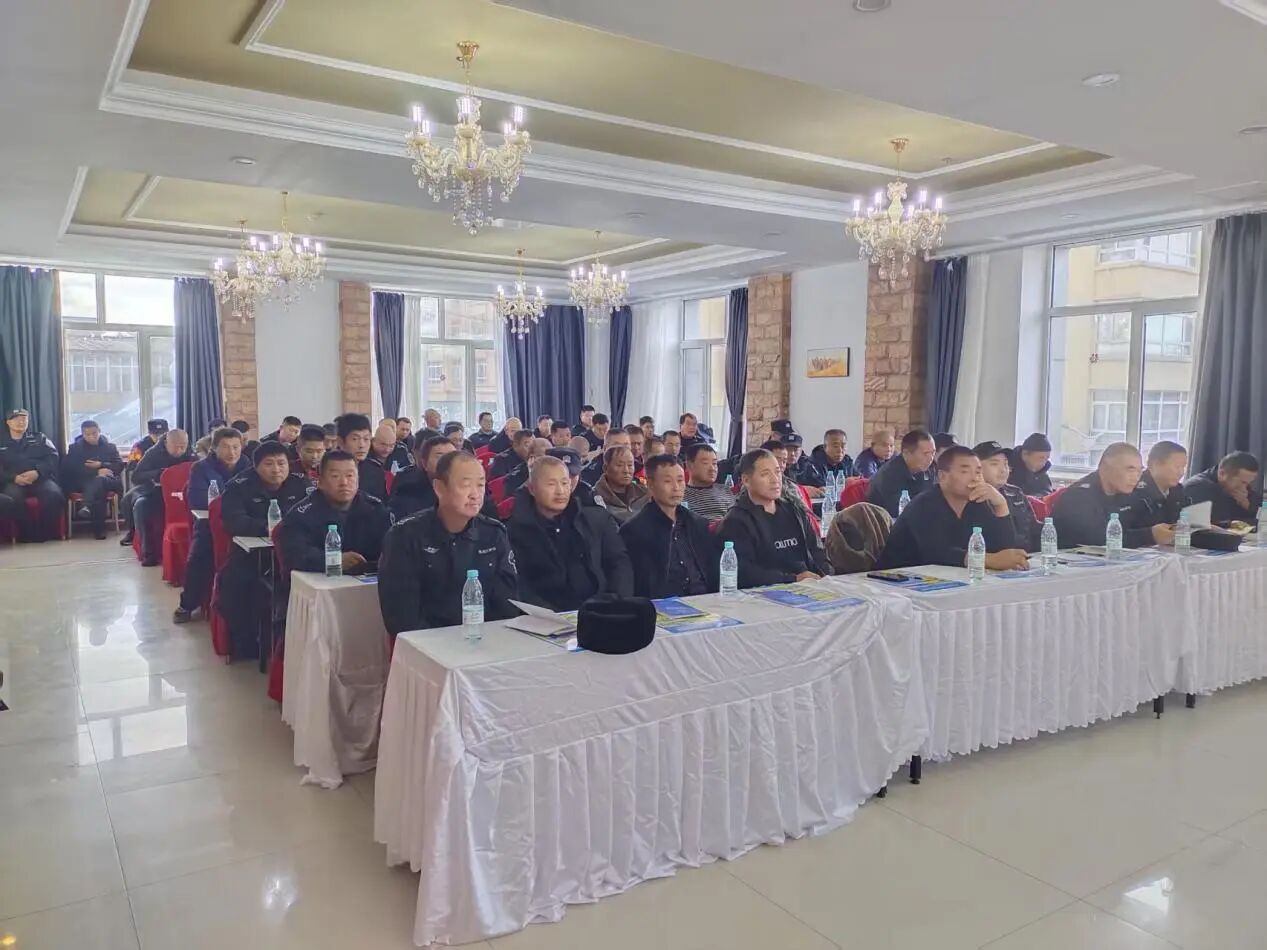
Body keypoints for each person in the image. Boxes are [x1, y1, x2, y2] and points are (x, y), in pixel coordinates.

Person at [379, 451, 519, 637]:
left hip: (485, 639)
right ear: (439, 488)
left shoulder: (494, 533)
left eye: (480, 485)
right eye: (466, 485)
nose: (475, 494)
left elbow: (507, 604)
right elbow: (401, 616)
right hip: (427, 644)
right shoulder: (405, 536)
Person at [215, 442, 311, 659]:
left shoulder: (301, 484)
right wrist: (269, 529)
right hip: (250, 554)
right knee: (235, 582)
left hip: (292, 552)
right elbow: (234, 521)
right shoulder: (238, 486)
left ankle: (294, 641)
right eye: (269, 464)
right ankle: (246, 641)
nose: (276, 469)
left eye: (281, 463)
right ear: (256, 466)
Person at [507, 455, 633, 610]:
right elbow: (520, 584)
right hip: (547, 617)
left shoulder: (596, 519)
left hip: (603, 610)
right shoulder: (515, 531)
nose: (560, 491)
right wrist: (551, 614)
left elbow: (618, 562)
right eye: (551, 484)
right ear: (532, 489)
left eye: (565, 483)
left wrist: (617, 602)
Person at [877, 445, 1028, 570]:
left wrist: (1001, 505)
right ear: (942, 476)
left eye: (978, 472)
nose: (974, 477)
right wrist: (989, 560)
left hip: (950, 579)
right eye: (965, 471)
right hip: (897, 582)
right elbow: (936, 553)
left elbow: (1003, 550)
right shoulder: (924, 504)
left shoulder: (976, 502)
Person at [718, 448, 829, 587]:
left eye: (778, 472)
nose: (775, 479)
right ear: (746, 480)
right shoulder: (736, 521)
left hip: (810, 585)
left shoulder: (794, 509)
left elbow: (817, 551)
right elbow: (744, 572)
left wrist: (827, 577)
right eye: (765, 474)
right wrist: (793, 579)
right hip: (769, 591)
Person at [174, 427, 252, 623]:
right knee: (199, 556)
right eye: (225, 447)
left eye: (236, 447)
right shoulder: (201, 468)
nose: (232, 452)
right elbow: (198, 501)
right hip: (209, 524)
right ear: (214, 448)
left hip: (242, 523)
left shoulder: (249, 466)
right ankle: (187, 604)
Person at [276, 450, 392, 575]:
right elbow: (294, 554)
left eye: (350, 475)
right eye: (335, 476)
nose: (344, 483)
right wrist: (334, 560)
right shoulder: (301, 515)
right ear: (320, 482)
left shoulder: (375, 508)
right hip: (320, 582)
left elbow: (391, 548)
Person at [620, 453, 719, 598]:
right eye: (668, 481)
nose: (676, 488)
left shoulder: (697, 524)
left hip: (705, 600)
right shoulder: (635, 530)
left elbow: (711, 572)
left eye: (680, 480)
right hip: (663, 604)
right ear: (650, 484)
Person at [1052, 442, 1173, 548]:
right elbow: (1097, 540)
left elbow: (1144, 523)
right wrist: (1149, 535)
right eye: (1130, 469)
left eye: (1139, 471)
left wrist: (1168, 530)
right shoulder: (1079, 496)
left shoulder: (1129, 493)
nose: (1136, 477)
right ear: (1105, 468)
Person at [389, 434, 499, 522]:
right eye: (440, 457)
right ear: (425, 463)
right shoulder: (407, 491)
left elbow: (489, 520)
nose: (447, 462)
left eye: (452, 456)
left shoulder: (474, 488)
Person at [131, 428, 194, 566]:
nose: (179, 451)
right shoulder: (153, 453)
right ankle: (149, 553)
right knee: (141, 506)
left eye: (183, 446)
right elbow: (136, 476)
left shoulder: (191, 453)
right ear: (166, 443)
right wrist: (159, 473)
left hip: (184, 494)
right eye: (175, 447)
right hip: (156, 492)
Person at [0, 409, 64, 542]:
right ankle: (26, 534)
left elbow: (53, 457)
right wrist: (13, 477)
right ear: (8, 422)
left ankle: (45, 533)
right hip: (13, 481)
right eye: (16, 419)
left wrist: (38, 472)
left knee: (54, 494)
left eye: (24, 419)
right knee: (12, 499)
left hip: (40, 479)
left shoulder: (40, 438)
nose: (21, 422)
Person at [975, 440, 1040, 552]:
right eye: (994, 464)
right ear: (977, 468)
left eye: (1005, 464)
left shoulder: (1016, 492)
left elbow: (1034, 529)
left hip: (1027, 557)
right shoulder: (973, 497)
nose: (1003, 470)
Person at [62, 419, 123, 540]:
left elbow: (119, 465)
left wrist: (101, 464)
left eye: (94, 433)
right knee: (98, 488)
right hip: (84, 481)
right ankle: (99, 529)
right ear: (82, 434)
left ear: (99, 431)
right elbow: (71, 469)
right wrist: (96, 472)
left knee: (100, 481)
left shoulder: (110, 447)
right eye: (87, 434)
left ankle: (86, 506)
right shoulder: (75, 448)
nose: (91, 437)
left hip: (109, 480)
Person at [866, 429, 936, 517]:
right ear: (906, 453)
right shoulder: (889, 475)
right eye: (925, 453)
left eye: (933, 452)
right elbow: (899, 512)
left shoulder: (929, 469)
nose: (931, 458)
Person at [1184, 451, 1262, 525]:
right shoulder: (1199, 487)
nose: (1245, 487)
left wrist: (1247, 505)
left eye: (1248, 483)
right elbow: (1222, 523)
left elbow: (1261, 513)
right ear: (1222, 474)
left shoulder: (1238, 486)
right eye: (1243, 482)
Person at [1125, 440, 1189, 531]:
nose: (1181, 472)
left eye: (1183, 467)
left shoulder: (1178, 490)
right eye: (1177, 466)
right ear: (1155, 464)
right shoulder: (1133, 489)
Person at [593, 446, 649, 524]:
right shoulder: (595, 498)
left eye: (630, 465)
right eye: (619, 465)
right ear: (605, 468)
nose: (626, 470)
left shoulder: (644, 494)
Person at [335, 413, 382, 502]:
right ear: (340, 442)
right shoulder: (328, 469)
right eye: (355, 439)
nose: (362, 445)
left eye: (366, 439)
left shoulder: (375, 470)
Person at [683, 443, 735, 523]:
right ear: (689, 465)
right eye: (705, 463)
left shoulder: (725, 490)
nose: (712, 469)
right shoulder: (680, 494)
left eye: (714, 463)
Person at [1008, 433, 1054, 497]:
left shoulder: (1041, 472)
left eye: (1047, 458)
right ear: (1025, 454)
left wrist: (1034, 498)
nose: (1044, 463)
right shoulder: (1006, 469)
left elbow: (1047, 492)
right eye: (1041, 458)